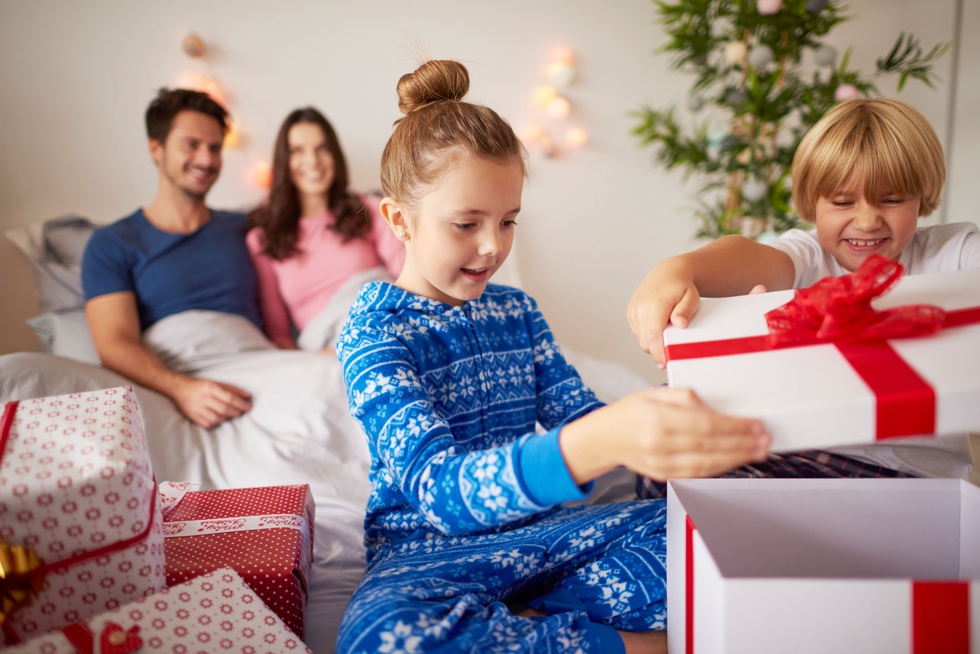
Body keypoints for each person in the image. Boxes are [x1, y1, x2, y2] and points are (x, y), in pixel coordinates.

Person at [335, 60, 771, 654]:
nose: (492, 246)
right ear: (398, 220)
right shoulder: (373, 334)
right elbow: (439, 491)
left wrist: (658, 451)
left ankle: (534, 625)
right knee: (384, 640)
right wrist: (605, 440)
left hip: (548, 538)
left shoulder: (517, 311)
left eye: (508, 221)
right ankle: (625, 643)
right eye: (467, 223)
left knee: (717, 536)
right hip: (432, 556)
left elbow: (579, 415)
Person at [627, 98, 980, 498]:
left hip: (916, 482)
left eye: (893, 199)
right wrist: (678, 269)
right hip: (804, 459)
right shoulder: (808, 256)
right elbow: (750, 257)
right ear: (813, 203)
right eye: (843, 202)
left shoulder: (956, 254)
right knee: (666, 442)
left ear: (922, 196)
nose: (866, 221)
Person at [82, 88, 259, 429]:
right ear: (156, 148)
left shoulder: (244, 228)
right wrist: (184, 390)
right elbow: (114, 344)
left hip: (255, 365)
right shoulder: (112, 243)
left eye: (215, 148)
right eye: (191, 144)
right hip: (176, 380)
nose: (206, 160)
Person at [245, 108, 405, 351]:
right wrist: (326, 358)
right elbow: (279, 335)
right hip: (325, 351)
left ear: (335, 155)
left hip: (386, 323)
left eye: (323, 148)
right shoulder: (262, 239)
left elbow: (408, 280)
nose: (313, 161)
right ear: (283, 160)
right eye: (297, 150)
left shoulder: (369, 210)